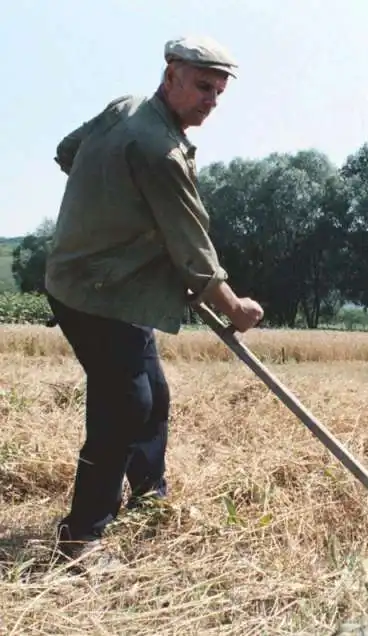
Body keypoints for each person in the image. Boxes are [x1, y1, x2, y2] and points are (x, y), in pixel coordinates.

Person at [44, 35, 264, 564]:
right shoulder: (158, 151)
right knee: (126, 403)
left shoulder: (126, 108)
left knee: (153, 397)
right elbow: (194, 251)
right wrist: (237, 308)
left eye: (218, 90)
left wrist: (117, 208)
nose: (211, 100)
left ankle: (148, 498)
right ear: (171, 76)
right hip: (94, 293)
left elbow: (66, 153)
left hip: (113, 285)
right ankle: (82, 537)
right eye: (202, 86)